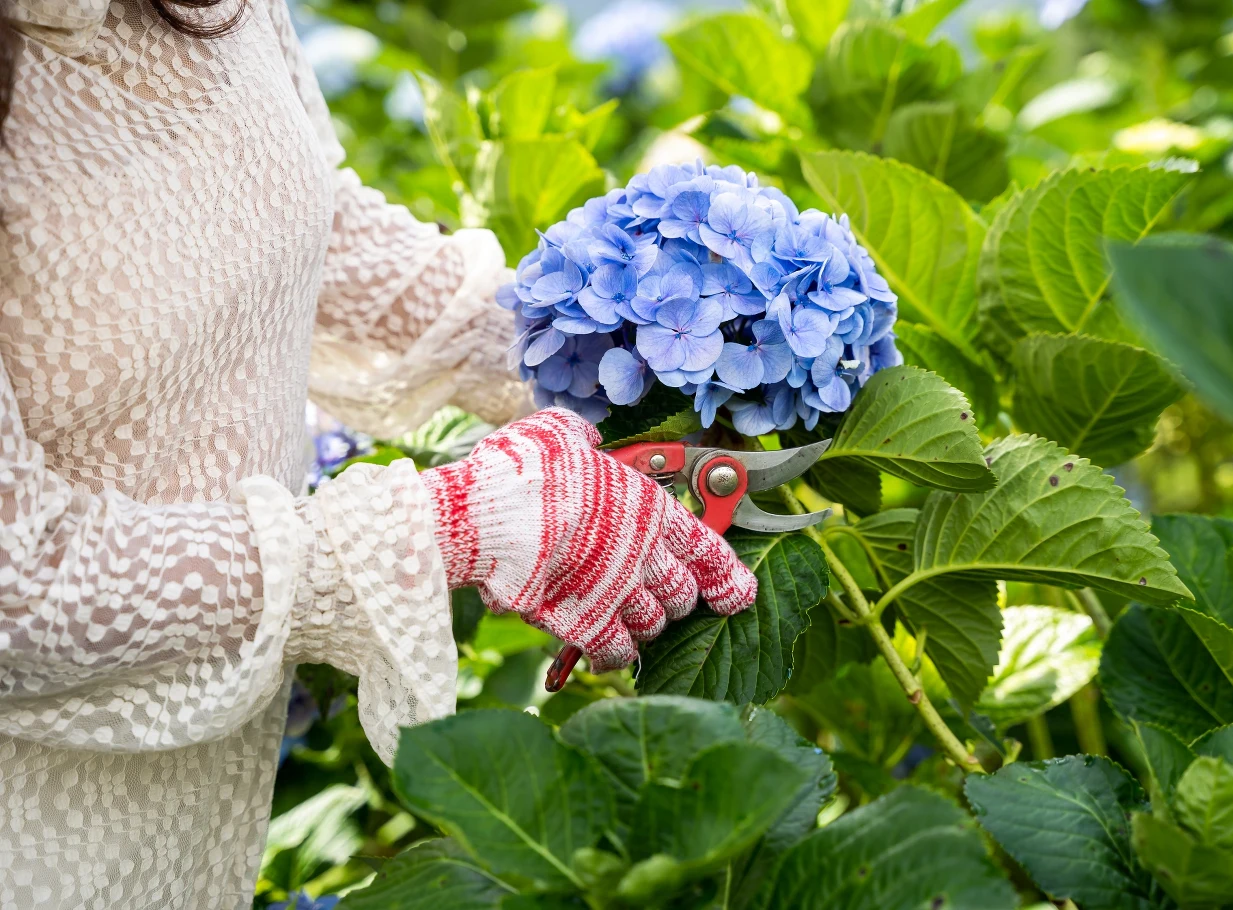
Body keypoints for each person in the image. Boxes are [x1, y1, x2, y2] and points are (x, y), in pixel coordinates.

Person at [0, 2, 758, 907]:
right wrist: (453, 525)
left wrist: (602, 362)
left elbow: (287, 214)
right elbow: (15, 584)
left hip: (192, 819)